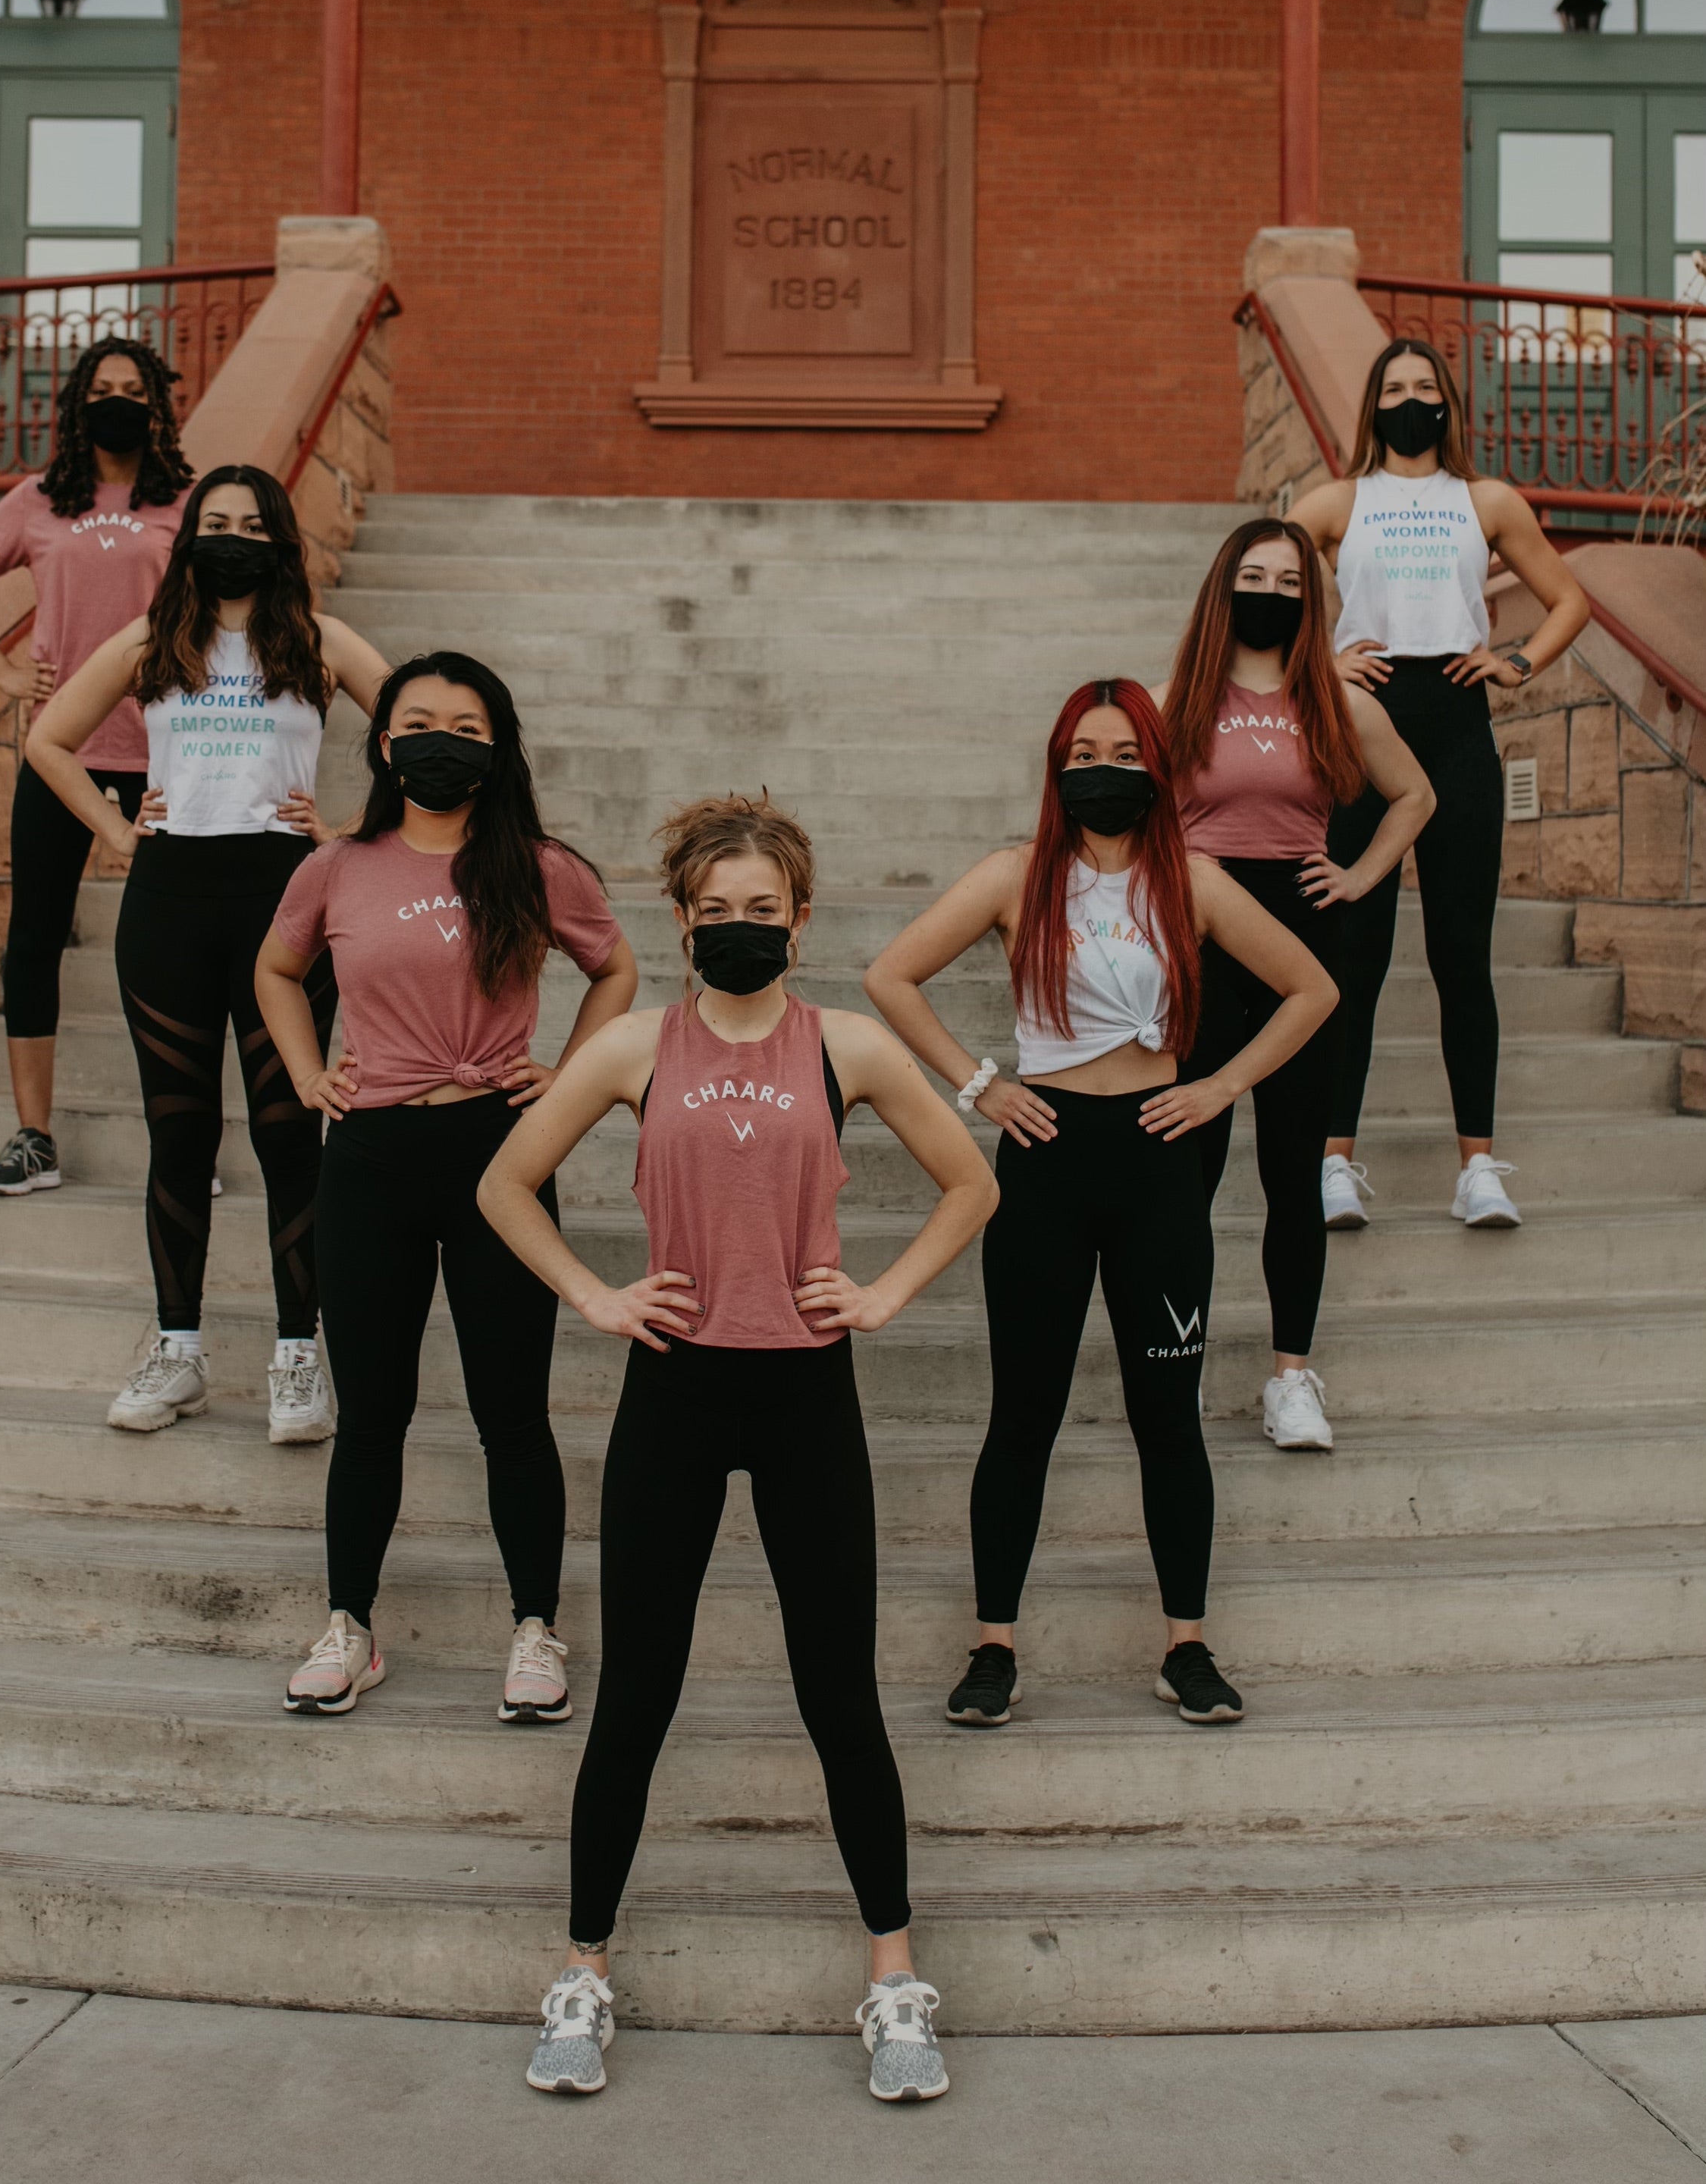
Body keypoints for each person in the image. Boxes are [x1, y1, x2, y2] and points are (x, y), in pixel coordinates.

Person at [478, 794, 997, 2105]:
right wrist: (596, 1295)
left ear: (800, 920)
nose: (739, 928)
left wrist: (877, 1295)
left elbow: (974, 1182)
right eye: (715, 912)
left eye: (762, 910)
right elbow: (499, 1184)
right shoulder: (631, 1049)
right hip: (673, 1391)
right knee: (637, 1693)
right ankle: (582, 1973)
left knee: (838, 1696)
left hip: (806, 1393)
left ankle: (891, 1982)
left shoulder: (850, 1045)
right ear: (683, 920)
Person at [865, 680, 1336, 1734]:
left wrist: (1219, 1085)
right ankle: (994, 1645)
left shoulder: (1195, 881)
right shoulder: (1012, 876)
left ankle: (1186, 1643)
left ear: (1158, 766)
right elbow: (890, 975)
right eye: (1084, 747)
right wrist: (980, 1081)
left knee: (1166, 1418)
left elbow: (1313, 988)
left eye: (1125, 748)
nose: (1104, 764)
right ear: (1056, 764)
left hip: (1160, 1160)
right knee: (1022, 1415)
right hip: (1045, 1155)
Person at [254, 651, 638, 1731]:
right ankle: (349, 1626)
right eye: (418, 720)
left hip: (499, 1157)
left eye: (466, 725)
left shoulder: (539, 864)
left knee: (510, 1412)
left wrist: (569, 1069)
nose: (439, 738)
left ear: (496, 746)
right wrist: (303, 1069)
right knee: (372, 1412)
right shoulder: (337, 864)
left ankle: (534, 1627)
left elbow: (616, 967)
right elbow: (275, 969)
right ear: (383, 743)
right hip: (369, 1156)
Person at [26, 465, 390, 1444]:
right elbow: (49, 740)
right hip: (169, 901)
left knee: (286, 1133)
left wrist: (352, 830)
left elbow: (419, 722)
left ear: (278, 536)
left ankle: (298, 1360)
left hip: (286, 903)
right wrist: (111, 825)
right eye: (214, 521)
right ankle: (178, 1351)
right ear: (190, 537)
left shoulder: (315, 641)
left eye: (250, 522)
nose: (232, 535)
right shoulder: (155, 640)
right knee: (179, 1139)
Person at [1288, 337, 1590, 1231]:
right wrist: (1319, 659)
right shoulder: (1338, 501)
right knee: (1354, 956)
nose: (1409, 400)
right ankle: (1333, 1164)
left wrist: (1516, 660)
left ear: (1447, 404)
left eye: (1425, 387)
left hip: (1457, 723)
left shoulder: (1484, 500)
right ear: (1372, 406)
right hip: (1366, 726)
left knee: (1461, 955)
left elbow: (1569, 598)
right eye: (1394, 387)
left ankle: (1477, 1169)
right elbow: (1248, 577)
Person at [1159, 520, 1433, 1451]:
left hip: (1302, 949)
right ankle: (1176, 1360)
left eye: (1287, 578)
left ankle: (1289, 1379)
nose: (1269, 591)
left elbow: (1415, 796)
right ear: (1221, 587)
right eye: (1251, 575)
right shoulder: (1174, 704)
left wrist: (1359, 875)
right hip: (1194, 942)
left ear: (1309, 599)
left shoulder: (1335, 701)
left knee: (1290, 1172)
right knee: (1184, 1173)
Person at [0, 336, 192, 1197]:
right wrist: (2, 671)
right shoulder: (38, 501)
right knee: (34, 938)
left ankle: (181, 1134)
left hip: (166, 753)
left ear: (156, 408)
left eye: (133, 390)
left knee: (180, 948)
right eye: (102, 389)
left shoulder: (186, 505)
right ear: (79, 404)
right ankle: (33, 1138)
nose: (116, 402)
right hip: (62, 748)